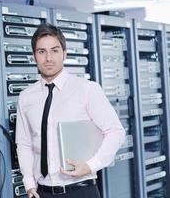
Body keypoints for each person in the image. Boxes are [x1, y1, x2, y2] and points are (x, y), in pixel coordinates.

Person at [15, 23, 125, 198]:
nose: (48, 58)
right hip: (42, 192)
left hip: (81, 190)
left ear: (64, 53)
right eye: (41, 51)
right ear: (34, 56)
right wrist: (29, 183)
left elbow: (116, 132)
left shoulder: (87, 89)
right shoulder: (26, 97)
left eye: (55, 50)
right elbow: (24, 144)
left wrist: (91, 165)